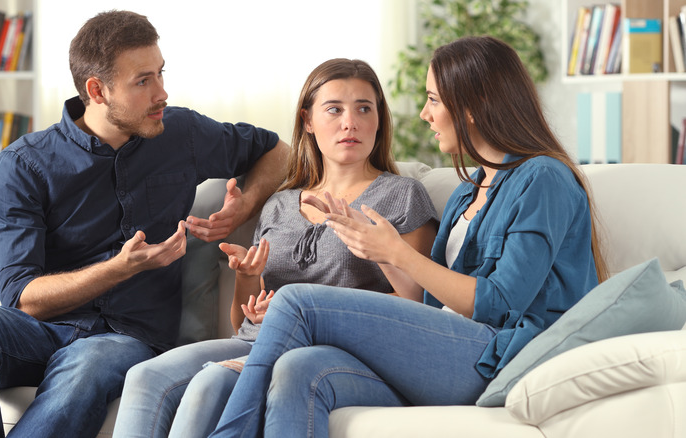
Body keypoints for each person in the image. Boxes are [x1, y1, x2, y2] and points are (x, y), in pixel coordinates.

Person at [207, 36, 610, 438]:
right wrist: (379, 251)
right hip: (448, 347)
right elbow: (431, 301)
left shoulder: (542, 177)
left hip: (501, 355)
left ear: (473, 105)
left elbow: (501, 304)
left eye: (434, 100)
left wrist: (400, 253)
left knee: (296, 301)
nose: (424, 114)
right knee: (299, 370)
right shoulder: (468, 191)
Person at [0, 10, 289, 438]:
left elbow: (277, 151)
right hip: (41, 331)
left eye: (160, 73)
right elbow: (22, 298)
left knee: (90, 363)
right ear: (97, 90)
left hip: (127, 338)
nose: (162, 93)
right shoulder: (25, 165)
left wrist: (243, 207)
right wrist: (122, 266)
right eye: (143, 81)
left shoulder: (181, 133)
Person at [111, 58, 439, 438]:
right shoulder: (281, 203)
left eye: (364, 108)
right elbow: (242, 323)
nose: (350, 122)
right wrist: (248, 279)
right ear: (308, 121)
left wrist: (371, 245)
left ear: (379, 119)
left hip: (326, 353)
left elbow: (416, 310)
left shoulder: (402, 195)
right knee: (145, 375)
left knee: (210, 383)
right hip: (257, 342)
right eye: (334, 109)